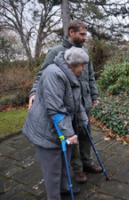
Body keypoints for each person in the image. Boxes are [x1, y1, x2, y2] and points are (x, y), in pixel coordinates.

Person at [28, 20, 101, 183]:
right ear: (71, 33)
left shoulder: (85, 52)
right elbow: (42, 75)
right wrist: (34, 92)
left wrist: (94, 96)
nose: (85, 38)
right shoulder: (56, 52)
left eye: (85, 34)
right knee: (71, 137)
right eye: (82, 34)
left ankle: (87, 162)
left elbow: (90, 77)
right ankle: (77, 170)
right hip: (67, 106)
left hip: (84, 104)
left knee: (85, 135)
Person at [23, 47, 89, 200]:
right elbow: (55, 109)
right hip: (46, 129)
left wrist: (83, 119)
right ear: (73, 64)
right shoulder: (54, 74)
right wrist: (69, 133)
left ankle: (65, 187)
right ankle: (54, 196)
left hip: (61, 127)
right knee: (52, 168)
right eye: (82, 65)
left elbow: (75, 102)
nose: (84, 68)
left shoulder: (71, 74)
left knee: (65, 158)